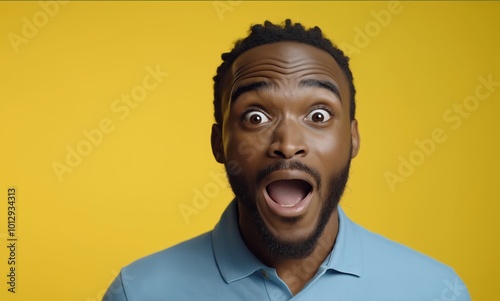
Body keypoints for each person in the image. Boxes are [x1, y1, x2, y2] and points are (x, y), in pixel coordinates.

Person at [103, 19, 470, 301]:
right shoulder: (140, 292)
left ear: (353, 139)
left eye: (319, 116)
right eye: (256, 117)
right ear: (220, 143)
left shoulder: (436, 291)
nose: (287, 143)